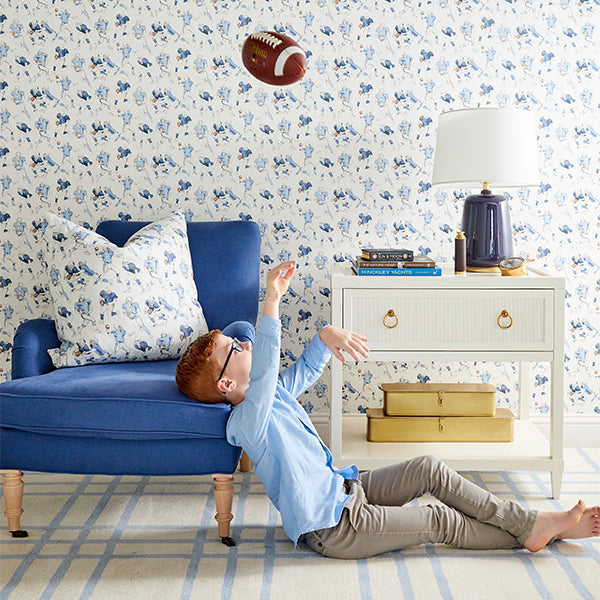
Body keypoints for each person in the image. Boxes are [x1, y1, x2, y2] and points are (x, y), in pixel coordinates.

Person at [176, 260, 600, 559]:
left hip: (345, 489)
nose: (246, 342)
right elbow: (267, 372)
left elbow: (301, 370)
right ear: (227, 384)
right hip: (335, 527)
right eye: (235, 347)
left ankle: (533, 524)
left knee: (428, 468)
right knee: (436, 519)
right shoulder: (247, 421)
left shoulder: (273, 397)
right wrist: (271, 301)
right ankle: (534, 530)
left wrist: (325, 336)